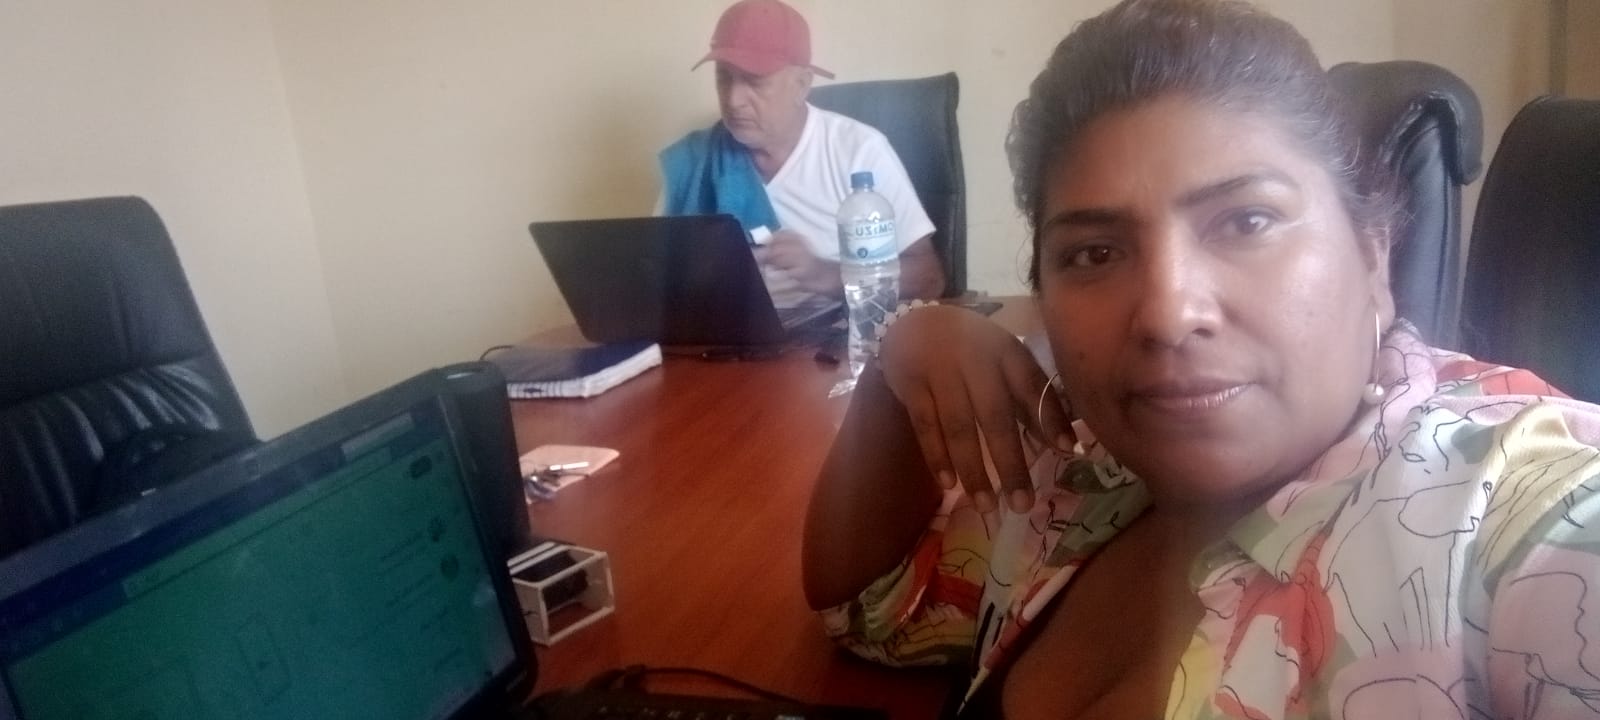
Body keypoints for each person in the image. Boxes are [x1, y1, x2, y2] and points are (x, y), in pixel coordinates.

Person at [800, 1, 1600, 718]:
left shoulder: (1497, 515)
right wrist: (903, 350)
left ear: (1372, 256)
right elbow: (874, 607)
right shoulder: (1077, 475)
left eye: (1248, 221)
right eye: (1095, 252)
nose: (1167, 313)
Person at [658, 0, 945, 309]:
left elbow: (929, 278)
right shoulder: (695, 162)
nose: (733, 99)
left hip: (833, 331)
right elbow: (657, 274)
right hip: (725, 331)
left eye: (754, 81)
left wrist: (826, 275)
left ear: (801, 85)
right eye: (724, 77)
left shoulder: (858, 152)